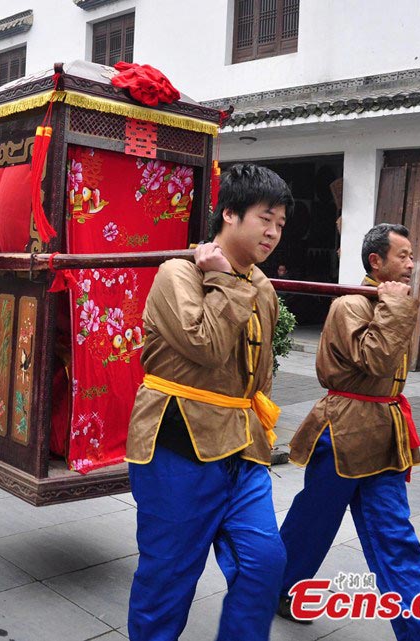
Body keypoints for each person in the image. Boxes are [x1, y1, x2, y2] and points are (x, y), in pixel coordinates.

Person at [124, 163, 292, 641]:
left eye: (281, 224)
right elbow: (205, 346)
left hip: (243, 444)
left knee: (264, 562)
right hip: (178, 442)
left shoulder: (262, 286)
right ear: (231, 214)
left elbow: (258, 371)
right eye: (266, 218)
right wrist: (221, 279)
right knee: (169, 575)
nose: (274, 232)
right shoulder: (177, 273)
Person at [277, 223, 420, 641]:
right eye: (402, 256)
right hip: (343, 430)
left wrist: (393, 307)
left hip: (382, 429)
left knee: (393, 532)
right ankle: (278, 587)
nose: (411, 264)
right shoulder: (351, 306)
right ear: (376, 262)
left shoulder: (384, 302)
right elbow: (374, 361)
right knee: (312, 521)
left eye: (412, 256)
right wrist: (393, 309)